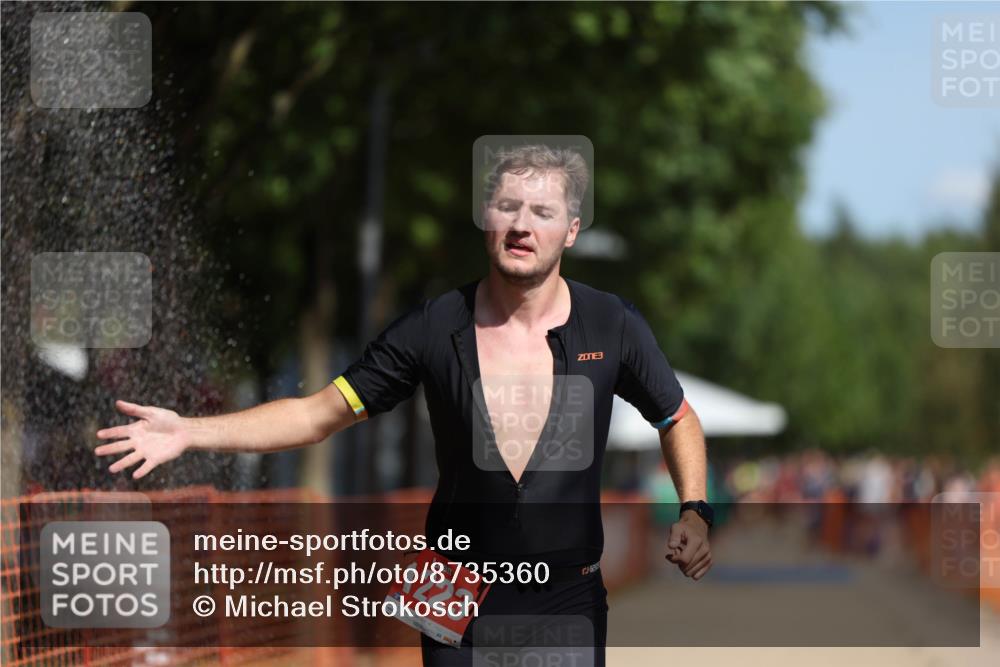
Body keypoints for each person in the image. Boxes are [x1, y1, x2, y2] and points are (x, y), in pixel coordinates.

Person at [96, 144, 713, 665]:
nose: (522, 224)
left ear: (571, 230)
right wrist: (188, 432)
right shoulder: (432, 326)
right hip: (449, 583)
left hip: (564, 591)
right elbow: (317, 414)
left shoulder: (613, 325)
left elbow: (676, 417)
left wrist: (694, 509)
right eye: (507, 206)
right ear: (486, 217)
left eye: (543, 212)